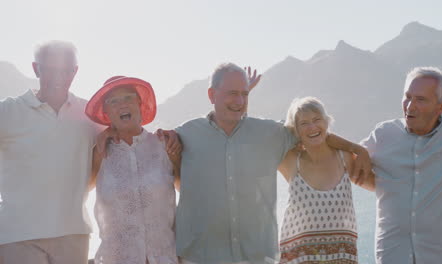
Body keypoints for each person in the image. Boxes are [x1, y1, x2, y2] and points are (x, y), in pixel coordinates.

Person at [163, 63, 372, 264]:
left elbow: (313, 131)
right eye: (232, 93)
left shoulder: (269, 133)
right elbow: (177, 180)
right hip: (199, 256)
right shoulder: (186, 134)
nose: (239, 101)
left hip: (255, 256)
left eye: (244, 94)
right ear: (212, 95)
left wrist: (357, 149)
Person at [0, 40, 97, 264]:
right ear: (36, 69)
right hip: (17, 236)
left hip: (74, 234)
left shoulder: (89, 113)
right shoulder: (7, 111)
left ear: (75, 71)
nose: (59, 78)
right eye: (50, 70)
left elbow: (125, 140)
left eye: (66, 71)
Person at [359, 67, 442, 263]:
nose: (410, 106)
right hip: (393, 255)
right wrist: (384, 185)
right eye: (407, 96)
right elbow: (351, 165)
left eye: (421, 99)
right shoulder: (384, 134)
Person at [85, 76, 180, 264]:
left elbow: (187, 188)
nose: (122, 105)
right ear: (107, 112)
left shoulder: (165, 145)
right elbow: (79, 190)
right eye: (113, 101)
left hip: (165, 258)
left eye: (128, 98)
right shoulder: (99, 151)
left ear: (139, 104)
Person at [278, 97, 375, 263]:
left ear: (327, 122)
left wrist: (358, 150)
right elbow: (267, 136)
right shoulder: (290, 161)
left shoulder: (345, 159)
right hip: (299, 258)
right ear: (296, 130)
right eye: (304, 123)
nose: (312, 127)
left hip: (342, 258)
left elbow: (381, 187)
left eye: (317, 120)